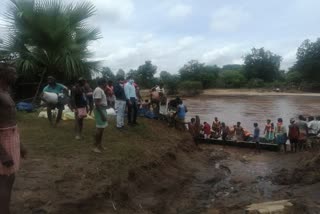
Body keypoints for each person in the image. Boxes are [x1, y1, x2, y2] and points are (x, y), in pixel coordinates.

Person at [0, 64, 26, 214]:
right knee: (6, 179)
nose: (16, 75)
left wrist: (20, 144)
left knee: (9, 178)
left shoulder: (6, 92)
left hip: (11, 136)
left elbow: (11, 119)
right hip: (3, 140)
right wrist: (3, 153)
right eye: (13, 73)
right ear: (3, 74)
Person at [92, 78, 108, 153]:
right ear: (103, 83)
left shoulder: (100, 90)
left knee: (102, 129)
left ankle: (99, 145)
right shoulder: (98, 90)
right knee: (99, 129)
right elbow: (97, 103)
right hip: (100, 111)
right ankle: (95, 146)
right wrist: (102, 115)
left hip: (102, 110)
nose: (106, 85)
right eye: (106, 83)